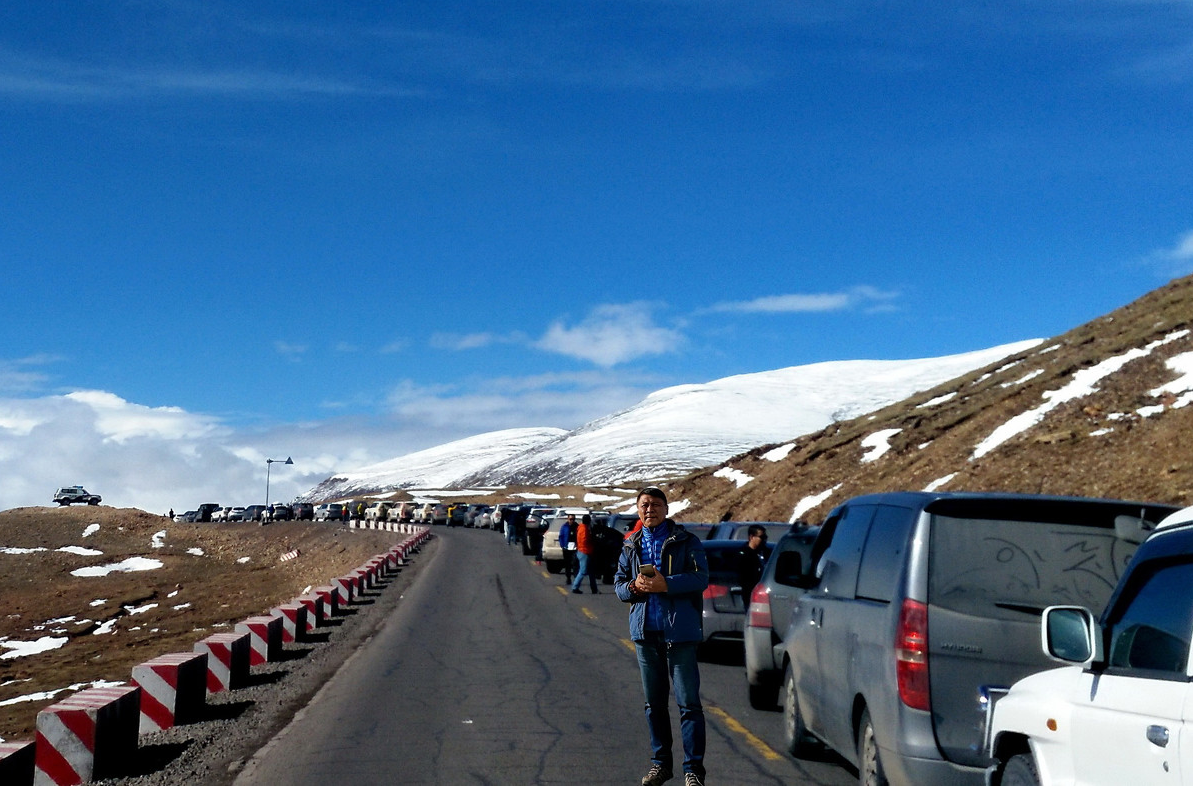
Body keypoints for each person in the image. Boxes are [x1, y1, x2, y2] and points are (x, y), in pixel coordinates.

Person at [615, 487, 709, 786]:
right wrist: (634, 587)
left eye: (655, 505)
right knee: (654, 704)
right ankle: (661, 765)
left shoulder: (687, 541)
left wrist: (665, 584)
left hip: (679, 634)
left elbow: (700, 577)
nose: (649, 510)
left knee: (689, 704)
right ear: (637, 510)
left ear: (667, 509)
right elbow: (618, 585)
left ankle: (693, 770)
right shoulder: (631, 544)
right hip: (645, 633)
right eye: (644, 505)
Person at [736, 525, 768, 601]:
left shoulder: (766, 552)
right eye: (761, 537)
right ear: (751, 537)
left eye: (765, 537)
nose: (764, 540)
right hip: (749, 593)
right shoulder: (744, 555)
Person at [570, 514, 598, 594]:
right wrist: (592, 540)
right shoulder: (584, 529)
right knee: (583, 571)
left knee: (591, 571)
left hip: (584, 551)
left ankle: (594, 589)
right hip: (584, 551)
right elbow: (584, 540)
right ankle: (575, 587)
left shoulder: (581, 528)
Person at [559, 514, 575, 583]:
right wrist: (562, 545)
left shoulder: (576, 526)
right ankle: (568, 577)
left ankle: (576, 577)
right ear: (568, 519)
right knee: (567, 564)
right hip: (567, 547)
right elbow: (561, 536)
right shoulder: (564, 527)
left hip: (575, 548)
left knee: (575, 563)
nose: (572, 521)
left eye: (573, 519)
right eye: (570, 519)